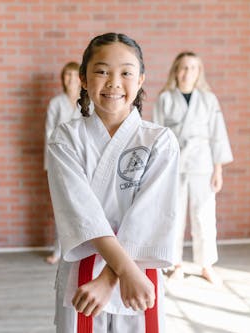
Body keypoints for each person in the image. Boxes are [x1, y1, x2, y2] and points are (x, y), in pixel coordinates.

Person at [47, 32, 180, 332]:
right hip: (84, 271)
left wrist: (111, 278)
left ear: (141, 79)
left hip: (138, 270)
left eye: (126, 73)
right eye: (102, 71)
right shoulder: (65, 139)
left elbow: (152, 216)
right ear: (83, 78)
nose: (114, 82)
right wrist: (123, 271)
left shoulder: (159, 140)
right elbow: (82, 213)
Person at [153, 51, 233, 284]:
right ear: (176, 70)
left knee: (204, 215)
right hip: (173, 166)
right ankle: (175, 263)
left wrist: (218, 170)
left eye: (193, 68)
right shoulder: (165, 99)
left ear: (199, 72)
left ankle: (206, 264)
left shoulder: (209, 99)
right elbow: (158, 136)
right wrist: (158, 171)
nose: (188, 72)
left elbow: (218, 135)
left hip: (202, 164)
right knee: (173, 216)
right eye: (184, 67)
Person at [44, 61, 82, 265]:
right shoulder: (56, 103)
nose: (70, 79)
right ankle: (58, 249)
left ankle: (80, 247)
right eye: (66, 75)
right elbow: (48, 134)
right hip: (59, 160)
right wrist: (49, 164)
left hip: (83, 162)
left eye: (74, 75)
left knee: (80, 205)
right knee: (60, 207)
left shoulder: (89, 102)